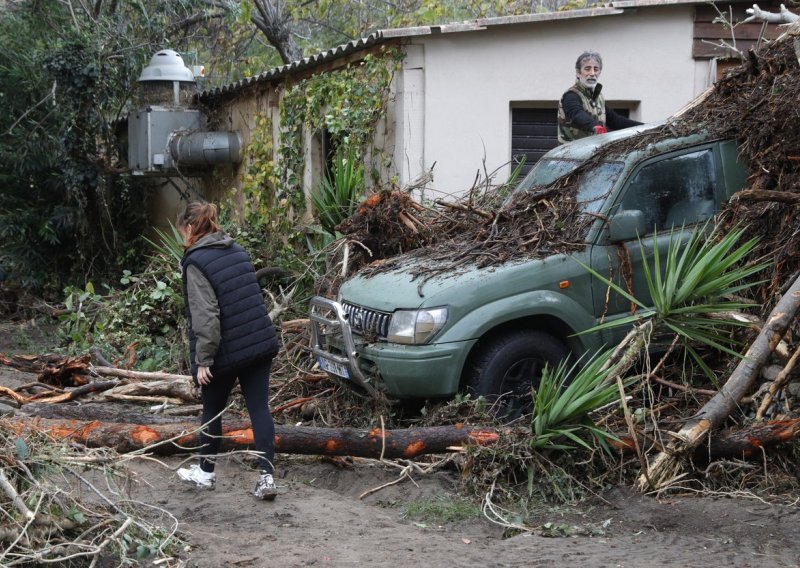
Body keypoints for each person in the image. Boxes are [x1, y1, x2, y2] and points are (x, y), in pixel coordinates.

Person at [175, 202, 281, 501]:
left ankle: (206, 473)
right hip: (258, 343)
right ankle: (267, 477)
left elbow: (206, 314)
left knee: (211, 410)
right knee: (259, 408)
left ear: (189, 228)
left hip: (224, 349)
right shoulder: (237, 250)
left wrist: (203, 360)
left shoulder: (195, 261)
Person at [557, 51, 642, 144]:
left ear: (599, 73)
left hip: (592, 152)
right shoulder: (571, 95)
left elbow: (614, 120)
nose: (592, 73)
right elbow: (577, 113)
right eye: (587, 69)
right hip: (570, 154)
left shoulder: (598, 97)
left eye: (596, 69)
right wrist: (594, 126)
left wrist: (644, 127)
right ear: (578, 73)